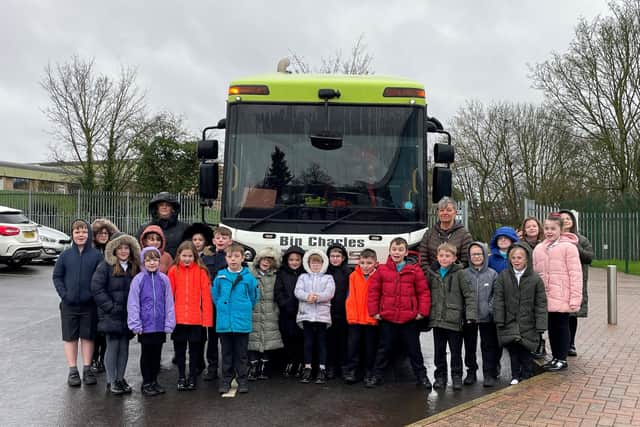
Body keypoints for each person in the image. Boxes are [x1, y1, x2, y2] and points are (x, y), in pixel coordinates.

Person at [368, 238, 431, 389]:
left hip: (409, 319)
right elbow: (373, 292)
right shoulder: (382, 270)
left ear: (406, 252)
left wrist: (422, 312)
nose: (397, 252)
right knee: (384, 349)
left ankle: (422, 377)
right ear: (390, 251)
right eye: (394, 249)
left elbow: (423, 293)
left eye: (400, 249)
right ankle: (376, 376)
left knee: (414, 350)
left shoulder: (415, 270)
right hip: (387, 318)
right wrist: (374, 312)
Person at [53, 219, 103, 387]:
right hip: (69, 305)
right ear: (72, 235)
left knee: (88, 337)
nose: (81, 235)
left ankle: (87, 369)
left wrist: (92, 295)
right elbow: (57, 277)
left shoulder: (97, 256)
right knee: (70, 337)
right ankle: (73, 370)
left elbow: (100, 279)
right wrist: (64, 295)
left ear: (89, 235)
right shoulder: (65, 255)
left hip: (89, 305)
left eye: (84, 232)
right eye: (77, 232)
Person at [91, 232, 140, 395]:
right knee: (112, 346)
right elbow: (97, 289)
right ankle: (111, 380)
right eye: (120, 248)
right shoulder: (105, 266)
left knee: (124, 347)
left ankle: (120, 377)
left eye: (127, 248)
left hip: (127, 315)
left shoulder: (134, 267)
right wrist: (110, 307)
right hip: (111, 314)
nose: (124, 251)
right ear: (114, 250)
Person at [533, 214, 582, 372]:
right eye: (546, 228)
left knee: (561, 327)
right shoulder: (539, 248)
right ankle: (555, 357)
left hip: (562, 295)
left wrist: (575, 298)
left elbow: (575, 274)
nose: (549, 231)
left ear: (560, 229)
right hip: (546, 297)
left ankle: (562, 359)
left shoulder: (569, 248)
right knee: (552, 328)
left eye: (553, 228)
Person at [493, 243, 547, 385]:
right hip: (509, 321)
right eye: (513, 258)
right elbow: (498, 299)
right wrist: (499, 319)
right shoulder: (503, 277)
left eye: (520, 258)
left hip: (528, 323)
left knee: (526, 351)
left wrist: (541, 324)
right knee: (513, 351)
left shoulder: (535, 279)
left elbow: (540, 303)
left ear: (527, 259)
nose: (516, 260)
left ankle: (527, 374)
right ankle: (515, 375)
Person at [426, 243, 476, 390]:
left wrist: (470, 315)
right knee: (439, 351)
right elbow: (426, 294)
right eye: (441, 255)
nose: (444, 258)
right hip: (438, 319)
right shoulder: (432, 273)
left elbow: (469, 295)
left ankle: (456, 376)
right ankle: (440, 376)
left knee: (455, 351)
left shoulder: (460, 274)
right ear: (437, 257)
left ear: (454, 258)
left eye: (448, 256)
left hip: (454, 320)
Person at [127, 247, 176, 397]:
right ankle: (146, 382)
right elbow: (133, 302)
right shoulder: (139, 279)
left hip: (159, 325)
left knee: (157, 354)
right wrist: (135, 323)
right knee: (147, 354)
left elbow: (169, 301)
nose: (152, 263)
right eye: (148, 260)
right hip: (145, 325)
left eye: (155, 260)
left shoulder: (164, 279)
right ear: (143, 262)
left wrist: (169, 322)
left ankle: (154, 381)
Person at [212, 244, 259, 394]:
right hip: (224, 322)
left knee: (241, 353)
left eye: (236, 256)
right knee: (226, 353)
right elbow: (215, 295)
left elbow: (253, 297)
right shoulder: (220, 276)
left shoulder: (248, 278)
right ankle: (226, 379)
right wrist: (221, 305)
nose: (233, 260)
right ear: (225, 258)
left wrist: (244, 308)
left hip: (241, 322)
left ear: (242, 258)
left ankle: (242, 379)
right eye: (230, 256)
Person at [168, 241, 213, 391]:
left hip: (196, 319)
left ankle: (192, 376)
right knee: (179, 351)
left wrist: (207, 319)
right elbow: (169, 296)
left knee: (194, 351)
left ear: (195, 256)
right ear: (179, 256)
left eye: (190, 256)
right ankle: (181, 376)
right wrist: (169, 318)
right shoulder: (174, 270)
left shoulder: (201, 271)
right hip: (178, 318)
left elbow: (206, 297)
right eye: (184, 256)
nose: (187, 259)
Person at [295, 249, 335, 384]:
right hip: (306, 315)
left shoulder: (328, 278)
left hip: (322, 316)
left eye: (318, 263)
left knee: (322, 343)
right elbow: (298, 291)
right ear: (308, 263)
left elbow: (329, 293)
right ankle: (307, 367)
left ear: (323, 263)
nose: (315, 265)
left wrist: (316, 298)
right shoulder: (303, 277)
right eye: (313, 262)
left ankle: (322, 368)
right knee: (308, 343)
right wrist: (307, 297)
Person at [463, 242, 500, 387]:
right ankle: (471, 371)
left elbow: (495, 295)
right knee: (470, 346)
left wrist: (489, 310)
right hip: (469, 318)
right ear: (469, 256)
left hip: (487, 318)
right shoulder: (464, 274)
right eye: (473, 254)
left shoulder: (492, 274)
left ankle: (488, 373)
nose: (476, 257)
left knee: (488, 346)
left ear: (485, 255)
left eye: (479, 254)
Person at [558, 209, 594, 357]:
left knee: (572, 315)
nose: (566, 221)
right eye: (562, 218)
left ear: (573, 221)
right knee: (559, 315)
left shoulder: (582, 239)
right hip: (559, 281)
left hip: (575, 281)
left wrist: (576, 246)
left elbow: (589, 258)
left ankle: (570, 344)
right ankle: (559, 343)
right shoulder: (553, 238)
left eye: (568, 218)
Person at [182, 222, 215, 376]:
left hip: (203, 302)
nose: (197, 243)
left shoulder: (209, 257)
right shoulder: (185, 257)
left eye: (200, 240)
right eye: (194, 240)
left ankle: (201, 360)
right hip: (190, 303)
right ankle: (195, 360)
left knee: (201, 336)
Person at [201, 226, 233, 382]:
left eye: (224, 237)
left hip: (227, 304)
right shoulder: (206, 258)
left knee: (227, 337)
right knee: (212, 337)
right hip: (211, 303)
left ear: (230, 241)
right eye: (218, 238)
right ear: (213, 241)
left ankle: (229, 368)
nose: (221, 240)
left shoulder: (233, 257)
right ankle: (212, 368)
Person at [343, 248, 379, 387]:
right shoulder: (353, 276)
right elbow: (350, 297)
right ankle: (351, 371)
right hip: (355, 318)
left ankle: (369, 372)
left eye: (369, 263)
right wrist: (350, 315)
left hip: (371, 318)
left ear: (375, 263)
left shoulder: (378, 276)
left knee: (370, 348)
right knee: (353, 346)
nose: (365, 266)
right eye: (362, 262)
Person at [247, 247, 283, 381]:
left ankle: (265, 367)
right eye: (264, 259)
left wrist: (276, 310)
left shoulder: (275, 276)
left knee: (268, 341)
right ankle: (253, 366)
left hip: (270, 312)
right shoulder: (250, 274)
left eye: (270, 260)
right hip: (253, 311)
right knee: (253, 339)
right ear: (258, 260)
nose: (266, 262)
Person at [90, 218, 119, 374]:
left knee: (106, 331)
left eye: (105, 232)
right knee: (95, 332)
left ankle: (103, 358)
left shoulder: (114, 250)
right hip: (94, 297)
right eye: (99, 233)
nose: (103, 235)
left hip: (110, 295)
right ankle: (94, 359)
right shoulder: (91, 251)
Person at [274, 246, 306, 378]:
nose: (294, 262)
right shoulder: (282, 273)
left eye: (297, 259)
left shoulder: (305, 274)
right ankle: (290, 361)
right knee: (287, 339)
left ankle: (300, 363)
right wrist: (285, 304)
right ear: (286, 260)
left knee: (301, 339)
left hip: (303, 312)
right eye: (291, 259)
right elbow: (278, 291)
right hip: (286, 313)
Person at [419, 196, 473, 272]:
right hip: (432, 278)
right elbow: (422, 258)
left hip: (455, 278)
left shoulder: (464, 235)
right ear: (438, 213)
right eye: (442, 210)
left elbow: (466, 261)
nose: (445, 213)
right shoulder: (429, 234)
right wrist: (431, 275)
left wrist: (453, 273)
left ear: (455, 213)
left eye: (449, 210)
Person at [136, 192, 190, 258]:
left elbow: (190, 251)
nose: (164, 207)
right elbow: (137, 251)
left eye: (168, 205)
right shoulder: (144, 228)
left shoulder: (185, 228)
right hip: (150, 266)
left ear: (173, 209)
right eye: (161, 205)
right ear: (156, 208)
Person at [325, 243, 350, 380]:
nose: (335, 259)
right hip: (328, 312)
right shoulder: (324, 272)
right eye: (332, 256)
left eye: (338, 256)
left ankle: (344, 367)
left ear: (343, 258)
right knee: (329, 342)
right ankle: (330, 367)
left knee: (344, 343)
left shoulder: (348, 273)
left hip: (344, 313)